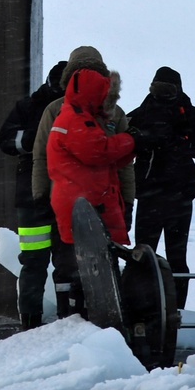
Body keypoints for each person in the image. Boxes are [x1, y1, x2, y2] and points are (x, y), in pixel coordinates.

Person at [32, 45, 137, 316]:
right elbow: (120, 160)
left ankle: (71, 315)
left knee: (69, 262)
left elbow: (41, 157)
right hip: (96, 201)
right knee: (85, 263)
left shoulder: (59, 111)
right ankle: (88, 315)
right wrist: (127, 201)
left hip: (76, 199)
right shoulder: (68, 111)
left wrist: (41, 196)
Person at [127, 66, 195, 309]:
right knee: (154, 257)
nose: (161, 93)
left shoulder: (188, 116)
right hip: (167, 195)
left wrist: (173, 143)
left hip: (166, 195)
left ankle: (163, 312)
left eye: (165, 89)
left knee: (149, 257)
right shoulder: (143, 115)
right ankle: (163, 312)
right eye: (158, 88)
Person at [0, 60, 67, 329]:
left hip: (51, 196)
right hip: (35, 197)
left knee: (57, 264)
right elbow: (6, 140)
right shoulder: (30, 107)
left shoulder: (65, 108)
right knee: (38, 262)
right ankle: (34, 319)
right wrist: (34, 139)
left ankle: (60, 318)